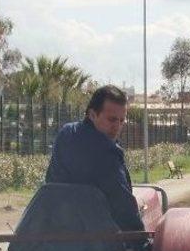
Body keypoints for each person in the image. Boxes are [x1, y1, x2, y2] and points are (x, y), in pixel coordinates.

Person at [45, 85, 144, 232]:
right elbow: (122, 203)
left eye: (121, 121)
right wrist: (141, 241)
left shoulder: (66, 133)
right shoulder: (106, 152)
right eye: (112, 120)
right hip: (94, 240)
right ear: (92, 115)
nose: (117, 126)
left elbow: (51, 179)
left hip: (54, 229)